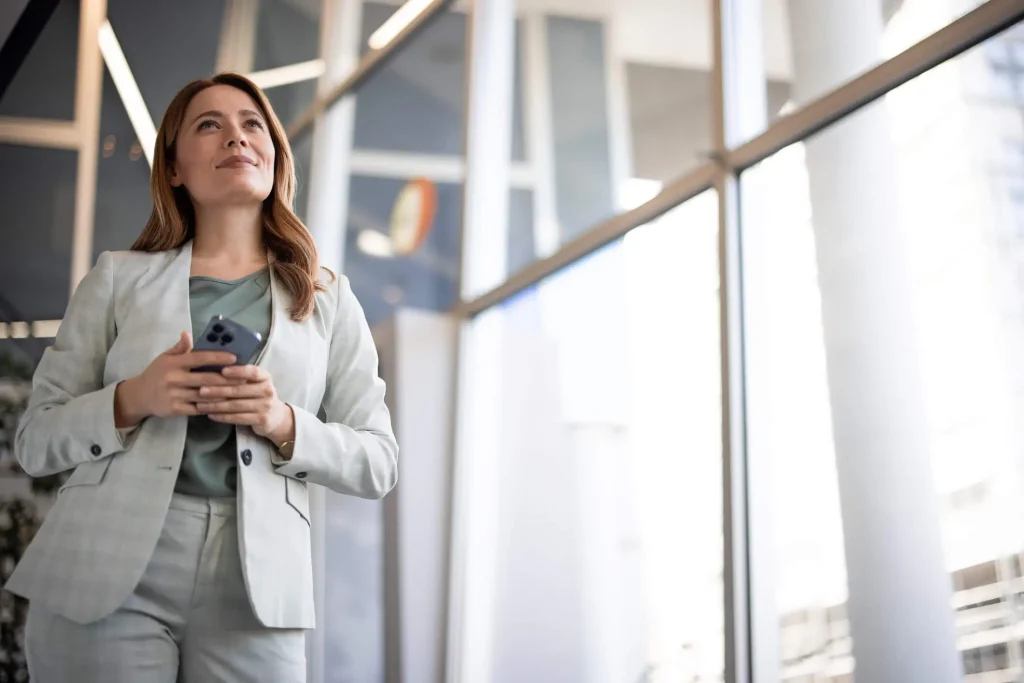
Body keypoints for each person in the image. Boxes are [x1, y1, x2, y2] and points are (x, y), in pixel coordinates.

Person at [5, 73, 398, 682]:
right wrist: (133, 398)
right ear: (175, 168)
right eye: (209, 125)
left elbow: (378, 462)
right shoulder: (118, 278)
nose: (236, 137)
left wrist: (282, 422)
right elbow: (36, 441)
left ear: (274, 154)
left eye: (252, 124)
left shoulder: (328, 299)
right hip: (105, 565)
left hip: (256, 585)